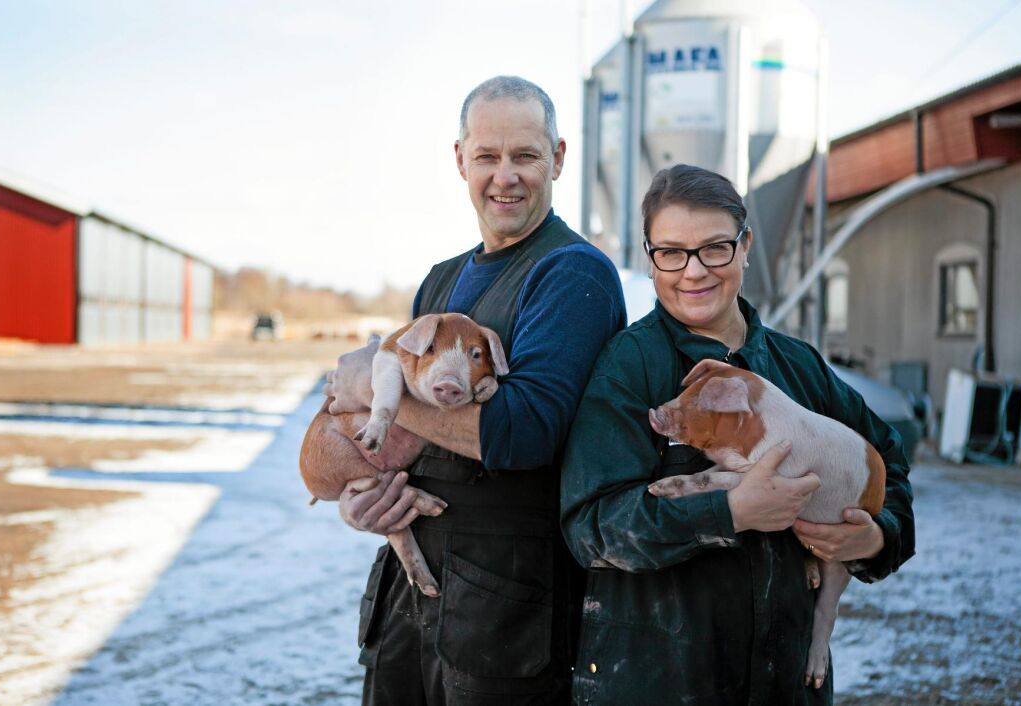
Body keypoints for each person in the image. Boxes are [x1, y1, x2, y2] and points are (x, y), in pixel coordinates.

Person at [308, 76, 627, 705]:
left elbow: (525, 431)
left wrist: (381, 381)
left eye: (525, 156)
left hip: (510, 608)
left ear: (557, 158)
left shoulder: (573, 273)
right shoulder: (439, 281)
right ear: (461, 160)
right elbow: (402, 437)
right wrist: (361, 497)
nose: (504, 177)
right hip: (410, 592)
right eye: (487, 156)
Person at [559, 164, 915, 705]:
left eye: (716, 248)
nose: (694, 271)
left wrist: (876, 538)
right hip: (662, 679)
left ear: (746, 245)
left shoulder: (797, 368)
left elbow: (889, 464)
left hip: (785, 679)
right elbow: (590, 529)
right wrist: (730, 513)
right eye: (671, 252)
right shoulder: (629, 369)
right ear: (649, 256)